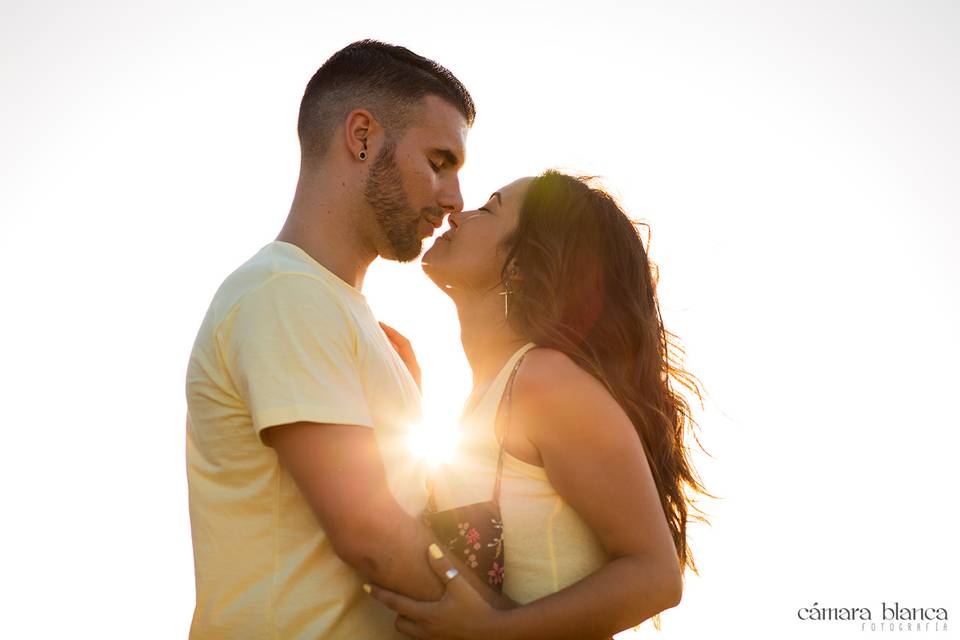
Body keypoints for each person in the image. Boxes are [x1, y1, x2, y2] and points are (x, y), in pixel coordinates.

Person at [185, 39, 487, 638]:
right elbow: (370, 535)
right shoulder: (283, 294)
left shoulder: (347, 318)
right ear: (362, 137)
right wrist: (514, 630)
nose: (454, 201)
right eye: (439, 161)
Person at [366, 171, 709, 639]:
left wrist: (495, 632)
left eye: (487, 209)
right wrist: (409, 408)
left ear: (521, 263)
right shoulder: (491, 397)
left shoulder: (544, 380)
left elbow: (656, 576)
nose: (456, 214)